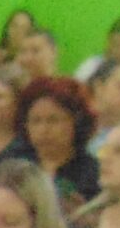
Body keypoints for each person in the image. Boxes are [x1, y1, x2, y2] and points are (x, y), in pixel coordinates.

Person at [20, 76, 101, 208]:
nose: (43, 130)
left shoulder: (94, 175)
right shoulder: (14, 166)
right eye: (35, 121)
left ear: (76, 122)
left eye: (53, 120)